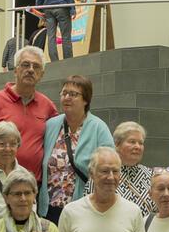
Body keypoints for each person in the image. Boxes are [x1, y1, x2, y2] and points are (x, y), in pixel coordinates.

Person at [0, 46, 58, 176]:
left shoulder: (48, 106)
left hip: (32, 188)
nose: (31, 70)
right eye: (25, 65)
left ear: (42, 75)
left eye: (36, 66)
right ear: (16, 70)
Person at [40, 74, 114, 223]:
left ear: (85, 100)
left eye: (73, 94)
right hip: (49, 210)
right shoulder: (51, 125)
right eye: (64, 93)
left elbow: (111, 165)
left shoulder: (99, 128)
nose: (67, 97)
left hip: (82, 211)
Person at [114, 122, 154, 213]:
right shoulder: (105, 174)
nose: (137, 147)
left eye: (141, 143)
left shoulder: (151, 175)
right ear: (117, 144)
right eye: (132, 142)